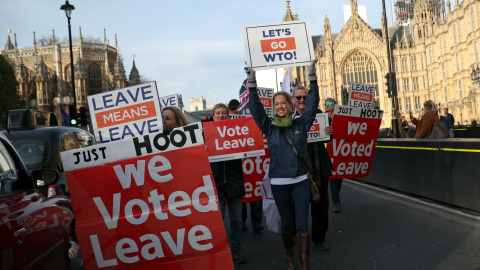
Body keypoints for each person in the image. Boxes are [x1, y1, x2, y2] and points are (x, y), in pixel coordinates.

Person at [245, 58, 319, 270]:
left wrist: (312, 78)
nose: (279, 106)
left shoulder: (301, 123)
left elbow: (313, 103)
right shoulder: (269, 128)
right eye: (276, 104)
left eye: (283, 103)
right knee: (287, 223)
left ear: (289, 105)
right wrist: (252, 83)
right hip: (279, 183)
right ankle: (289, 258)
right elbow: (255, 109)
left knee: (303, 223)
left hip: (301, 181)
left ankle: (304, 263)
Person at [293, 86, 333, 251]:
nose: (302, 100)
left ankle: (319, 238)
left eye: (305, 97)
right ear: (293, 99)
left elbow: (328, 140)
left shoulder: (319, 115)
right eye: (299, 98)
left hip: (318, 167)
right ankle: (298, 236)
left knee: (321, 207)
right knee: (296, 206)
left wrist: (329, 132)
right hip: (297, 169)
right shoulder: (288, 117)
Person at [208, 104, 247, 264]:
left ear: (228, 115)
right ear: (213, 115)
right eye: (218, 113)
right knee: (219, 221)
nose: (221, 115)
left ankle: (236, 249)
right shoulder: (205, 133)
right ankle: (221, 252)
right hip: (216, 183)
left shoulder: (236, 132)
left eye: (224, 113)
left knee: (236, 219)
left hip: (234, 181)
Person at [228, 98, 264, 232]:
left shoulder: (251, 121)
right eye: (232, 109)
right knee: (241, 194)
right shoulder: (226, 126)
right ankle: (242, 221)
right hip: (237, 165)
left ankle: (257, 222)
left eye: (238, 108)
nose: (236, 111)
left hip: (253, 162)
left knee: (255, 193)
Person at [324, 98, 343, 213]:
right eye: (326, 103)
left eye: (330, 103)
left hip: (339, 150)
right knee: (333, 178)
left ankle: (335, 196)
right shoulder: (322, 118)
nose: (327, 105)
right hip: (327, 150)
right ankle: (337, 202)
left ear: (335, 106)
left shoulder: (339, 118)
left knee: (339, 177)